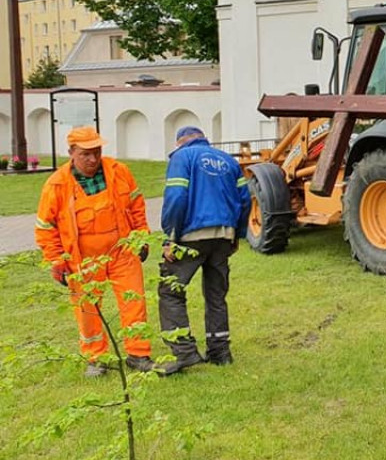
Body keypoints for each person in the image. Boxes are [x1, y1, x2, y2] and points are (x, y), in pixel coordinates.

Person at [34, 126, 155, 376]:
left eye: (96, 152)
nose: (92, 159)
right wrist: (57, 261)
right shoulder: (56, 185)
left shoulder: (118, 172)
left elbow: (136, 206)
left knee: (134, 302)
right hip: (83, 259)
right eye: (85, 154)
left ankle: (139, 354)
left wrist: (141, 237)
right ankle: (96, 358)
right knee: (87, 309)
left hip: (122, 251)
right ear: (71, 153)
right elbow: (45, 227)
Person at [158, 126, 251, 374]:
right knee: (216, 295)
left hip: (191, 236)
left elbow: (176, 197)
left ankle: (185, 352)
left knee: (170, 291)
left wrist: (170, 237)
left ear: (180, 143)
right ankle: (220, 352)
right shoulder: (229, 161)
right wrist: (237, 234)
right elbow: (245, 199)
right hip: (222, 236)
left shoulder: (182, 157)